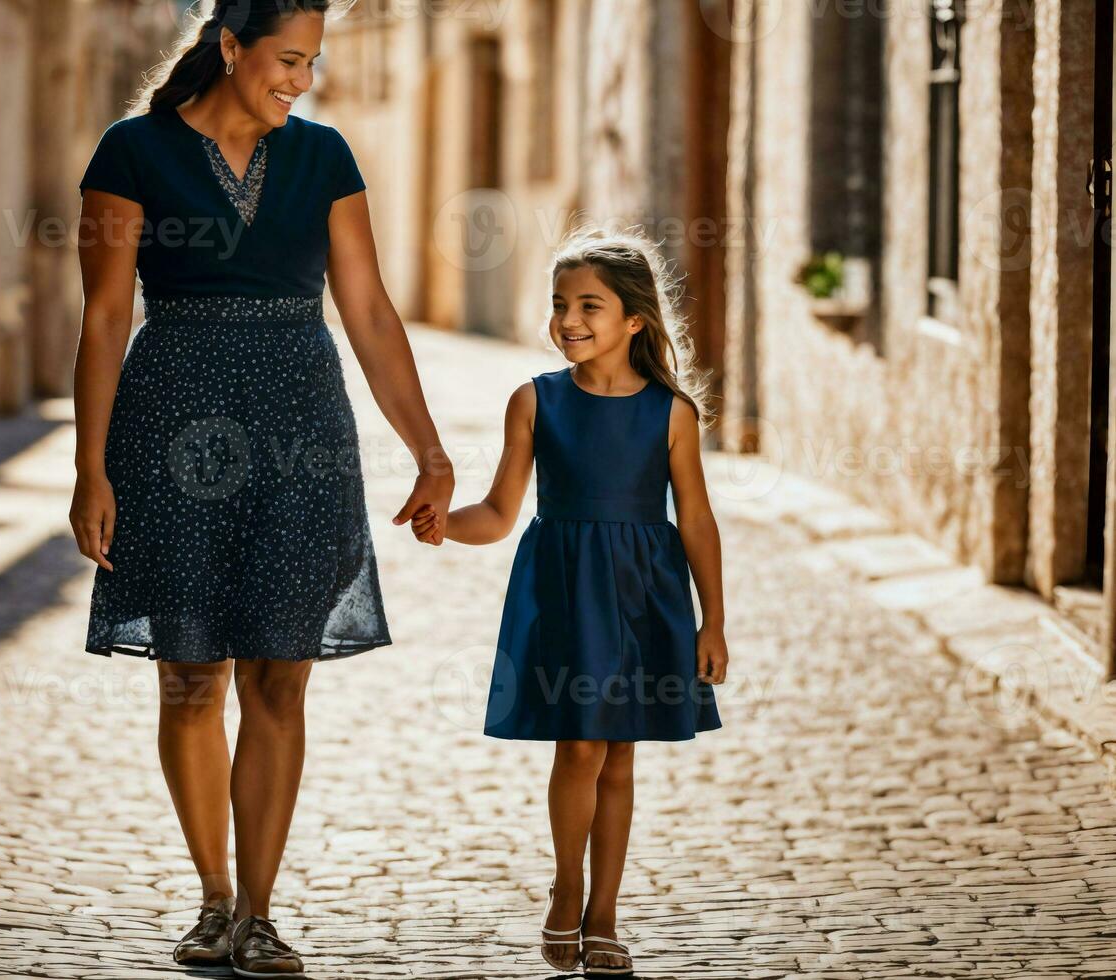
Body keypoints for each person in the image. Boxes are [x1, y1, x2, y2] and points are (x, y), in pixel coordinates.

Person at [69, 1, 454, 974]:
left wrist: (431, 451)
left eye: (313, 62)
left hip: (302, 437)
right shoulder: (129, 152)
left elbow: (365, 308)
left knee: (280, 672)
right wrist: (90, 466)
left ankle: (258, 911)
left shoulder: (325, 157)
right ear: (229, 46)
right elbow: (105, 317)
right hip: (169, 435)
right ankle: (209, 898)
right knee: (191, 674)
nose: (302, 80)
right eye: (287, 58)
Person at [409, 226, 728, 975]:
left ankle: (605, 913)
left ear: (634, 320)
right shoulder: (535, 401)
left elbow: (699, 520)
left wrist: (714, 620)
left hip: (647, 593)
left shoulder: (670, 412)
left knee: (620, 757)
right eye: (559, 304)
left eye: (590, 305)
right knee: (580, 744)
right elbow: (496, 512)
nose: (569, 320)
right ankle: (565, 887)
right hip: (565, 589)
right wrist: (442, 528)